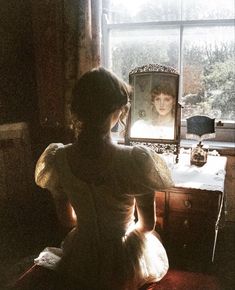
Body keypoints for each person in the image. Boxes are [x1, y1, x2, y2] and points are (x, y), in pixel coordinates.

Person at [23, 68, 174, 290]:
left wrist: (91, 230)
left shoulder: (58, 158)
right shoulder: (134, 161)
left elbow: (66, 220)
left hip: (81, 255)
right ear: (116, 111)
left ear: (78, 111)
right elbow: (147, 226)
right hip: (123, 259)